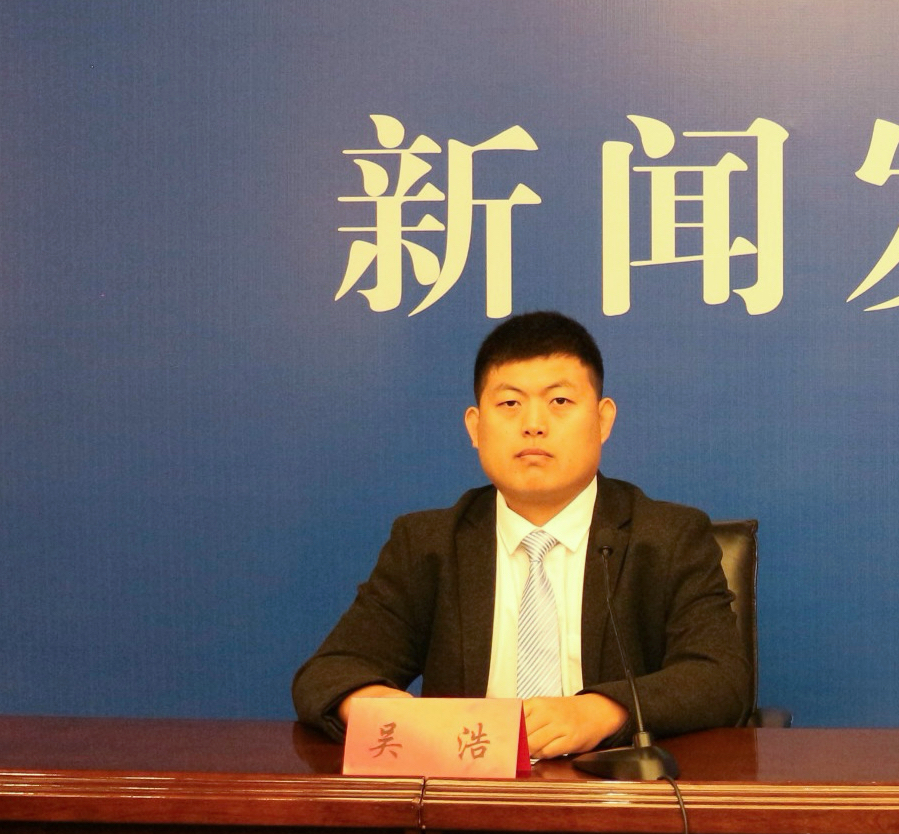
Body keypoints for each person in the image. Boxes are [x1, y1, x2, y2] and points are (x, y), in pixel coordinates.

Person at [293, 311, 750, 758]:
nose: (534, 424)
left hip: (612, 791)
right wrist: (380, 706)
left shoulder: (668, 537)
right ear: (475, 426)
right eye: (510, 404)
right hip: (467, 791)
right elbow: (328, 672)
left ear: (603, 420)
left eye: (560, 402)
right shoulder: (428, 544)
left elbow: (721, 678)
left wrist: (602, 710)